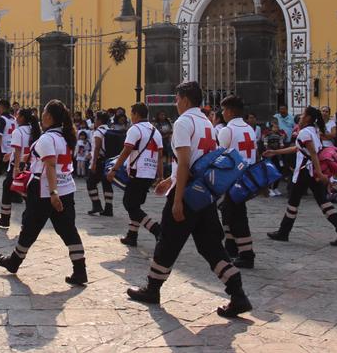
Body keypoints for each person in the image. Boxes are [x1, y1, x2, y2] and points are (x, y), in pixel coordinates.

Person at [126, 81, 252, 317]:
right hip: (203, 193)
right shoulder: (207, 122)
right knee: (210, 245)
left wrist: (177, 198)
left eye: (176, 98)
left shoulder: (184, 122)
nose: (175, 103)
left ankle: (152, 289)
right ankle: (238, 293)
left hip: (187, 193)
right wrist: (171, 180)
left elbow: (185, 162)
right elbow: (198, 160)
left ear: (184, 99)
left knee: (167, 240)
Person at [0, 100, 88, 286]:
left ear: (48, 117)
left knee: (29, 227)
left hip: (44, 190)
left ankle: (14, 262)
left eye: (44, 112)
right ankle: (80, 270)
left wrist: (53, 193)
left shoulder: (47, 138)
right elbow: (50, 159)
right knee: (68, 230)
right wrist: (29, 158)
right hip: (66, 188)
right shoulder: (66, 137)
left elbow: (51, 165)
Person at [264, 106, 337, 246]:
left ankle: (283, 232)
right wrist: (276, 152)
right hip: (311, 171)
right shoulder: (314, 131)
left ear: (309, 118)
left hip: (306, 171)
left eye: (303, 114)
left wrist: (320, 173)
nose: (300, 117)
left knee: (294, 201)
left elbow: (312, 153)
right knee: (323, 202)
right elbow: (298, 148)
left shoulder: (305, 132)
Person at [108, 102, 163, 246]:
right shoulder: (155, 131)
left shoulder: (135, 129)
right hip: (149, 173)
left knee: (129, 204)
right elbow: (160, 155)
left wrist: (114, 169)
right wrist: (160, 176)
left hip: (138, 172)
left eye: (132, 114)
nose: (131, 117)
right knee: (135, 204)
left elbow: (126, 151)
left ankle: (156, 229)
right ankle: (132, 235)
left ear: (137, 115)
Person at [217, 95, 258, 269]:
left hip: (232, 178)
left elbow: (220, 155)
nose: (222, 113)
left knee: (237, 216)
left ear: (231, 111)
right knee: (228, 212)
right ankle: (231, 247)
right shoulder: (249, 128)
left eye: (224, 109)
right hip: (248, 177)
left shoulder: (227, 130)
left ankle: (247, 254)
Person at [0, 108, 40, 228]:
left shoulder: (18, 131)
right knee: (23, 191)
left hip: (18, 165)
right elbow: (21, 149)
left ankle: (7, 218)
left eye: (17, 115)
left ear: (22, 117)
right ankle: (25, 219)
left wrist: (16, 168)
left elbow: (18, 150)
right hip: (29, 164)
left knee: (13, 189)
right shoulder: (33, 129)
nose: (15, 117)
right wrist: (11, 154)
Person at [86, 111, 114, 217]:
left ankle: (96, 205)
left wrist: (93, 163)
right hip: (108, 161)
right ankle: (109, 208)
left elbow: (97, 147)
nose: (95, 121)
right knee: (106, 184)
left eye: (96, 119)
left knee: (90, 183)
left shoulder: (98, 132)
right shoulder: (109, 130)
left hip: (98, 161)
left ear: (99, 120)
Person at [263, 120, 287, 197]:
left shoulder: (280, 135)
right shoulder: (267, 135)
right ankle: (269, 188)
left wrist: (281, 146)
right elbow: (265, 143)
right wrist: (268, 149)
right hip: (270, 155)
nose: (276, 128)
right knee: (270, 171)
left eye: (277, 127)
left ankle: (275, 187)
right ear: (271, 127)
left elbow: (281, 143)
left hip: (278, 155)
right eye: (275, 127)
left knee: (278, 171)